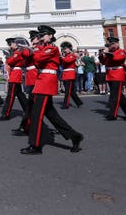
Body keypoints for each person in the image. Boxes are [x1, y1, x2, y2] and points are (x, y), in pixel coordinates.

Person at [21, 25, 83, 155]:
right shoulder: (42, 48)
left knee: (36, 114)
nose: (41, 37)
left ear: (50, 36)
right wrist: (32, 47)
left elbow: (37, 58)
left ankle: (35, 145)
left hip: (46, 81)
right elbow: (27, 57)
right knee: (51, 115)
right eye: (40, 35)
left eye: (43, 35)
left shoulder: (52, 48)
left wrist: (33, 49)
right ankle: (74, 136)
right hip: (41, 80)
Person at [100, 37, 126, 121]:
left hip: (117, 75)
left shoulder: (121, 51)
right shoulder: (109, 52)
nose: (111, 46)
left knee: (114, 96)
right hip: (110, 74)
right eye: (110, 44)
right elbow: (103, 62)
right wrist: (102, 55)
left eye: (112, 44)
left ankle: (112, 114)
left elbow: (117, 59)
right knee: (120, 96)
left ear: (117, 43)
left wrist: (108, 53)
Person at [0, 37, 28, 121]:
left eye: (11, 44)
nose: (10, 46)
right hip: (15, 74)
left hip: (15, 75)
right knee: (20, 95)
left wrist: (8, 57)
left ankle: (6, 113)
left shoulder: (17, 53)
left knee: (10, 95)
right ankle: (28, 109)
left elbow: (10, 62)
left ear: (15, 44)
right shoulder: (16, 52)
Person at [59, 42, 83, 109]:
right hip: (65, 75)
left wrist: (61, 57)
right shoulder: (65, 56)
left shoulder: (72, 55)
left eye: (65, 48)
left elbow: (67, 61)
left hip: (70, 75)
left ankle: (65, 105)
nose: (64, 50)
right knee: (71, 91)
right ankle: (79, 102)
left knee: (67, 91)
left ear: (69, 49)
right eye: (63, 49)